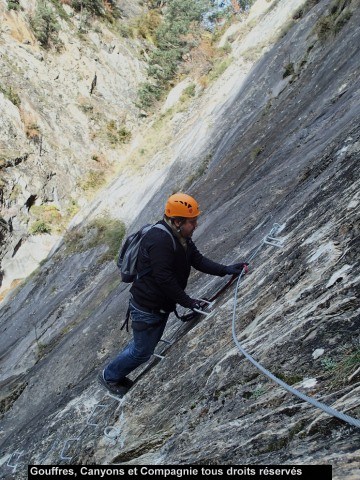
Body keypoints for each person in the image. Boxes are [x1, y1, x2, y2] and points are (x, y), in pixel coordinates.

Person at [98, 193, 248, 395]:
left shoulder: (181, 237)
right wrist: (188, 302)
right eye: (192, 222)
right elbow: (164, 279)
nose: (195, 225)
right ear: (177, 221)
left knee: (143, 347)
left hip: (158, 306)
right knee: (142, 351)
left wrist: (226, 270)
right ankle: (109, 376)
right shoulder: (159, 241)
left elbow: (197, 260)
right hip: (147, 307)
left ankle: (115, 374)